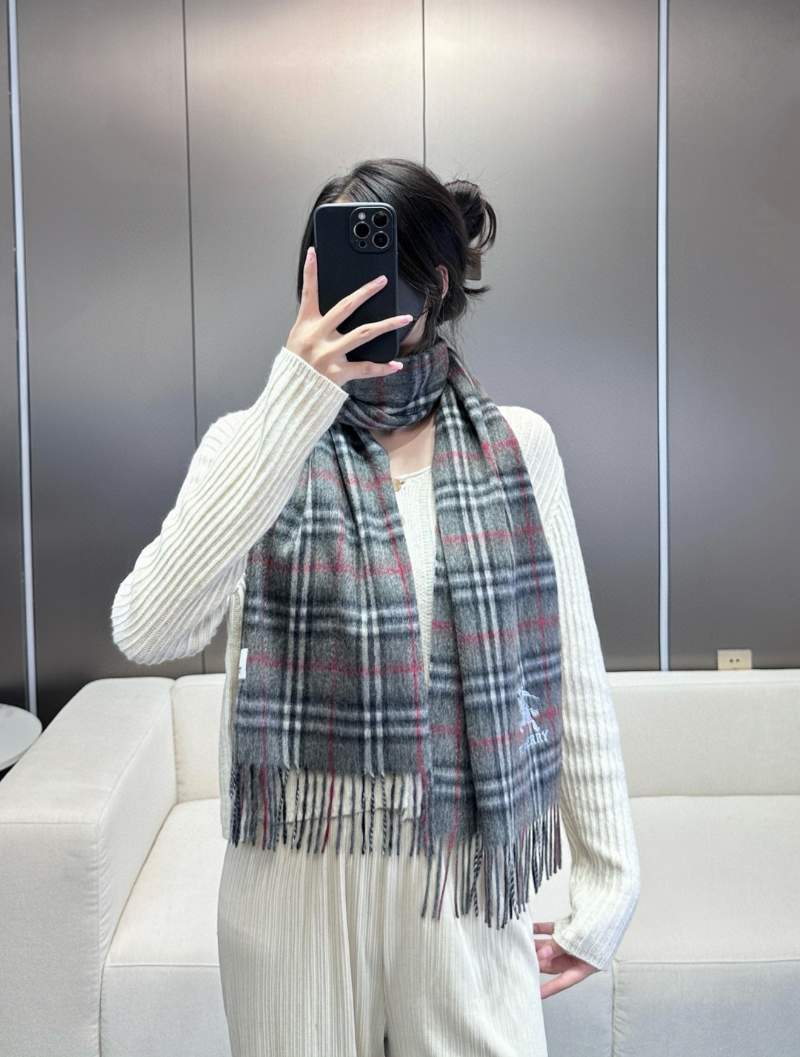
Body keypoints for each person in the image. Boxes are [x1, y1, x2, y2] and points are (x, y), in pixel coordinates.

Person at [111, 157, 640, 1057]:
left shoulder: (517, 446)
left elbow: (570, 673)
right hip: (292, 889)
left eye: (380, 259)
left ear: (434, 283)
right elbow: (149, 627)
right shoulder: (253, 445)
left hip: (460, 891)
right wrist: (294, 402)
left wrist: (609, 884)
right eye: (330, 262)